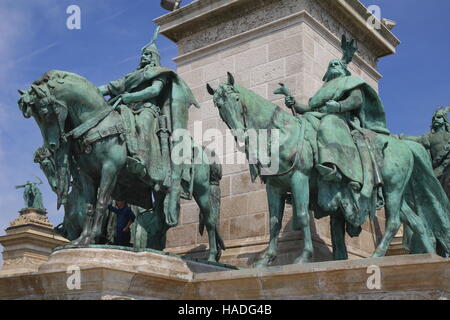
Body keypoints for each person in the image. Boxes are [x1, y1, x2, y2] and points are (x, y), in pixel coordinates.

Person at [98, 26, 199, 227]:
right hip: (126, 108)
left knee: (143, 124)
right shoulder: (131, 76)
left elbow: (155, 90)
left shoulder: (159, 73)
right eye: (143, 54)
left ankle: (140, 157)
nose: (144, 57)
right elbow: (109, 87)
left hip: (148, 109)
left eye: (148, 54)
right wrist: (90, 92)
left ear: (154, 58)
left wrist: (131, 96)